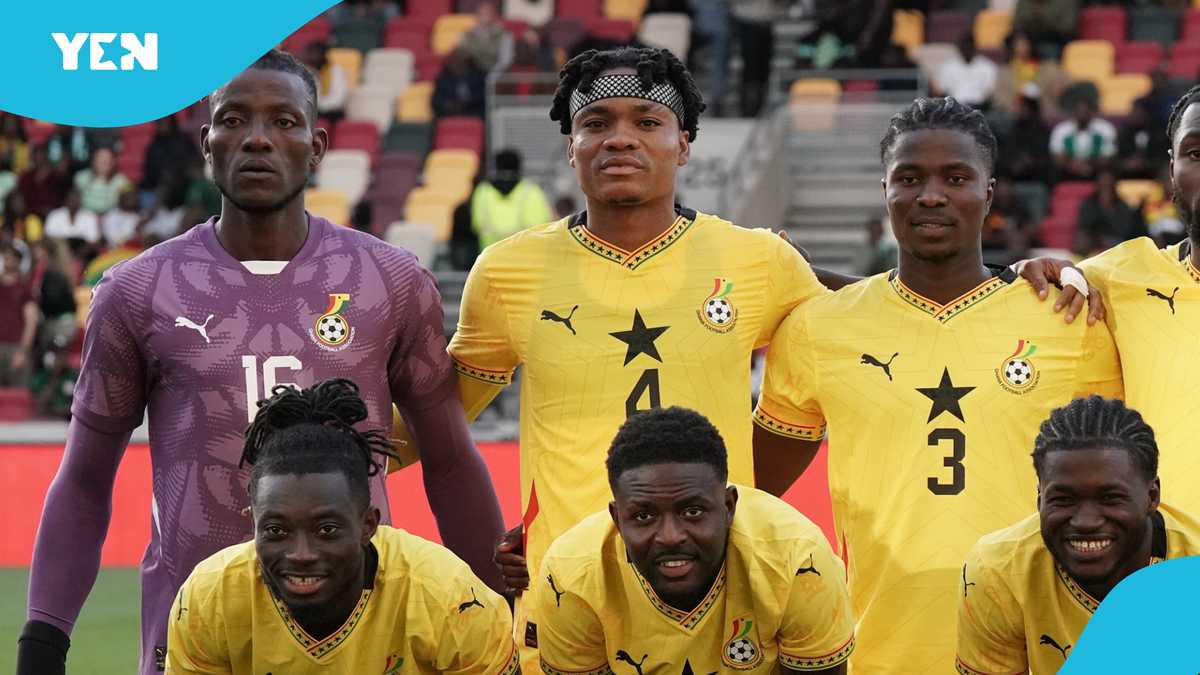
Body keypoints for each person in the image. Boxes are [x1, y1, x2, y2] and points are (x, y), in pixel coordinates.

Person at [15, 49, 505, 675]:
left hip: (364, 643)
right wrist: (43, 640)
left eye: (283, 121)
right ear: (206, 143)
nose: (256, 139)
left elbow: (452, 461)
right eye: (233, 119)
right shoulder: (136, 291)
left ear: (316, 146)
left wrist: (501, 605)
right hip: (193, 641)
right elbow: (85, 480)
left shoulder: (391, 281)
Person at [403, 45, 838, 669]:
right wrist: (327, 443)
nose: (620, 138)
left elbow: (866, 323)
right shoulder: (506, 271)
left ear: (683, 144)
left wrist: (736, 501)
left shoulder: (758, 260)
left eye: (647, 121)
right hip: (565, 584)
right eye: (596, 123)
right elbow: (440, 419)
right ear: (570, 146)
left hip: (718, 578)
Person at [751, 97, 1123, 673]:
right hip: (878, 650)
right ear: (884, 189)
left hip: (1038, 649)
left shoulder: (1066, 319)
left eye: (955, 178)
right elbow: (752, 495)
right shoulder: (816, 329)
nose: (930, 195)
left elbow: (1124, 495)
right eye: (909, 178)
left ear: (989, 193)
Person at [167, 379, 518, 674]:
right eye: (276, 530)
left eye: (326, 530)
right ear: (253, 522)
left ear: (368, 525)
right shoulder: (210, 596)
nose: (301, 554)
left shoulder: (447, 595)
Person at [534, 406, 855, 673]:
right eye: (644, 516)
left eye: (692, 511)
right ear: (617, 519)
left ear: (728, 506)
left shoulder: (798, 558)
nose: (670, 537)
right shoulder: (571, 576)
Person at [956, 396, 1200, 675]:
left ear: (1152, 496)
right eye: (1063, 499)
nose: (1086, 522)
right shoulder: (997, 571)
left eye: (1110, 498)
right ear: (1040, 499)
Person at [1063, 83, 1200, 519]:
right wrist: (1041, 268)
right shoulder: (1117, 278)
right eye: (1196, 153)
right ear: (1172, 168)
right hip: (1167, 553)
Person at [469, 148, 552, 249]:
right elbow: (543, 225)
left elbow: (477, 224)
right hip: (525, 253)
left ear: (496, 166)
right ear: (519, 166)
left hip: (490, 254)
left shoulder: (483, 191)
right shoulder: (531, 190)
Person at [1074, 169, 1145, 255]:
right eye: (1103, 182)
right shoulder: (1088, 204)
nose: (1106, 184)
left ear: (1114, 185)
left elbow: (1125, 230)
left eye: (1108, 183)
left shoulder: (1122, 206)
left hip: (1117, 241)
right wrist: (1099, 238)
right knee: (1082, 238)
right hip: (1094, 241)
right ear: (1098, 184)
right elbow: (1085, 225)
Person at [1050, 98, 1117, 181]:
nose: (1082, 115)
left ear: (1092, 112)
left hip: (1096, 169)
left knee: (1109, 171)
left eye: (1085, 111)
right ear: (1073, 112)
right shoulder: (1061, 129)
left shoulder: (1105, 128)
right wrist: (1073, 166)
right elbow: (1057, 158)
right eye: (1079, 111)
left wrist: (1089, 165)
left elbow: (1108, 156)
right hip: (1068, 170)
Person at [0, 242, 36, 386]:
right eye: (5, 256)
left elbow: (31, 322)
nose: (7, 260)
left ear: (18, 261)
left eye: (11, 257)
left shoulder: (24, 288)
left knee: (17, 394)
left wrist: (22, 352)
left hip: (14, 347)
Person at [933, 35, 997, 109]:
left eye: (969, 48)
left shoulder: (988, 66)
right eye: (965, 47)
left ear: (975, 48)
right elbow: (943, 91)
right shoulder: (947, 66)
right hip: (955, 108)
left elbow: (989, 93)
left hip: (979, 108)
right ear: (959, 48)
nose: (967, 50)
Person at [1117, 98, 1171, 180]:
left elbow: (1163, 156)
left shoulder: (1159, 133)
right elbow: (1119, 154)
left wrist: (1145, 163)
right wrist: (1127, 162)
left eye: (1138, 111)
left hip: (1153, 170)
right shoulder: (1125, 132)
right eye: (1133, 111)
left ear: (1147, 113)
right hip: (1128, 170)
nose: (1134, 114)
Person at [458, 0, 514, 74]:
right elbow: (460, 54)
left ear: (493, 15)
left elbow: (506, 60)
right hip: (472, 72)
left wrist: (493, 75)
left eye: (488, 13)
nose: (485, 16)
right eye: (482, 13)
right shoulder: (467, 34)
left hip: (495, 72)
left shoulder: (503, 34)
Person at [74, 147, 132, 215]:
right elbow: (75, 200)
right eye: (99, 159)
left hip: (113, 216)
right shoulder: (80, 177)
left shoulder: (122, 181)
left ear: (113, 162)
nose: (103, 162)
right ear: (93, 160)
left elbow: (130, 199)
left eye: (106, 159)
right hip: (86, 215)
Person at [432, 48, 488, 119]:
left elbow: (483, 96)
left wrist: (465, 103)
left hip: (475, 114)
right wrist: (448, 105)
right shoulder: (443, 79)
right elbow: (436, 101)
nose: (455, 63)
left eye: (458, 60)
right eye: (452, 61)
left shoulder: (480, 76)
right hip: (450, 116)